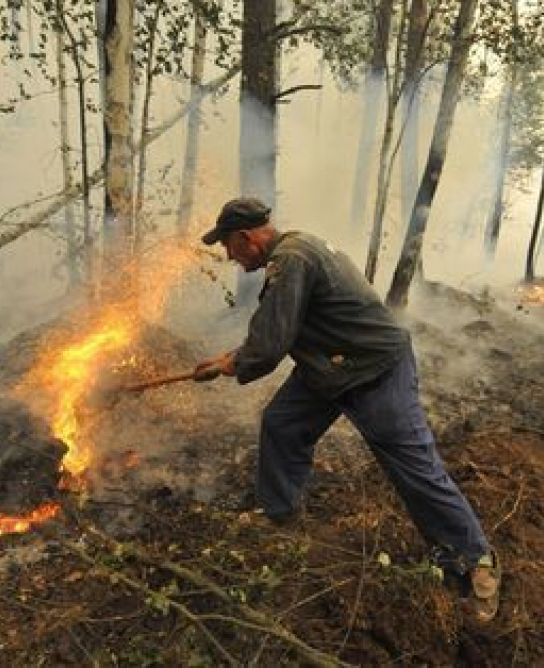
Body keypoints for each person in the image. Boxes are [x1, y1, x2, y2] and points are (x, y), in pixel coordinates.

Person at [193, 197, 501, 622]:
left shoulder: (291, 262)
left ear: (246, 237)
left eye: (228, 245)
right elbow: (283, 326)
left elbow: (272, 341)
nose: (228, 255)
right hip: (329, 365)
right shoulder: (297, 248)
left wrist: (235, 363)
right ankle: (280, 514)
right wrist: (230, 357)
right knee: (282, 424)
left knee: (415, 467)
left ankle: (475, 563)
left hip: (373, 368)